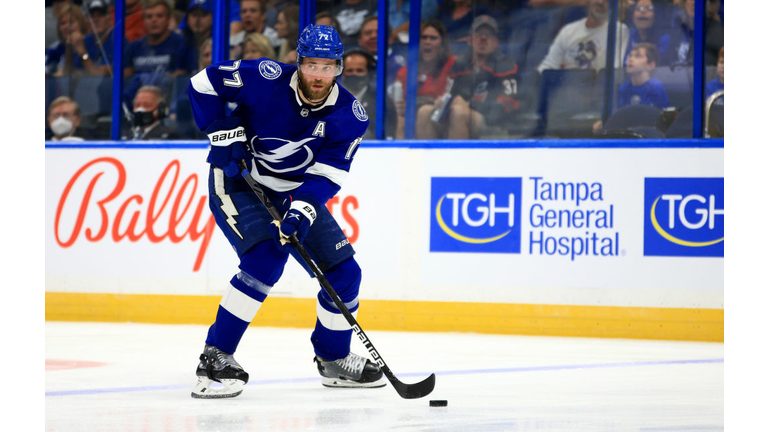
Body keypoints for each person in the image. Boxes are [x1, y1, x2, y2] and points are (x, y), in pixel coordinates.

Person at [187, 24, 384, 398]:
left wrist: (300, 214)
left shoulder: (350, 116)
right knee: (266, 258)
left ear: (339, 68)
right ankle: (216, 357)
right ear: (298, 62)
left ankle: (334, 359)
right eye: (312, 65)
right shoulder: (264, 77)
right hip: (238, 180)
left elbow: (324, 177)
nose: (319, 75)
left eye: (328, 67)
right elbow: (202, 82)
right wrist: (220, 128)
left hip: (292, 192)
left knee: (344, 272)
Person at [421, 15, 520, 139]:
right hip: (461, 115)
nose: (483, 38)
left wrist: (468, 105)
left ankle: (458, 158)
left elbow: (506, 108)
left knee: (459, 112)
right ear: (470, 40)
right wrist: (441, 102)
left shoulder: (506, 67)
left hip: (494, 126)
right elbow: (451, 95)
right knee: (424, 112)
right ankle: (428, 158)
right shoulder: (460, 64)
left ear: (496, 42)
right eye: (479, 34)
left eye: (488, 35)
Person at [393, 20, 457, 139]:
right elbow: (399, 106)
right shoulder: (405, 72)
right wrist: (399, 106)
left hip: (444, 118)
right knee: (401, 120)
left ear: (442, 43)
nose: (427, 42)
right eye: (424, 37)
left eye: (433, 38)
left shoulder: (453, 64)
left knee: (425, 112)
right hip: (414, 120)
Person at [124, 0, 194, 102]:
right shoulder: (134, 47)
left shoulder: (181, 44)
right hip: (139, 102)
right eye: (149, 17)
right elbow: (127, 80)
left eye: (159, 16)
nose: (154, 20)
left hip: (168, 102)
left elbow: (180, 81)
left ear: (168, 19)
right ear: (143, 20)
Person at [593, 42, 669, 133]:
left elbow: (659, 119)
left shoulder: (656, 87)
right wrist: (604, 123)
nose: (631, 59)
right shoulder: (624, 88)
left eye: (637, 56)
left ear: (651, 65)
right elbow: (618, 115)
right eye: (630, 56)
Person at [537, 0, 630, 72]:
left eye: (606, 0)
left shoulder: (618, 30)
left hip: (597, 93)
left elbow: (614, 68)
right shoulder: (568, 31)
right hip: (566, 90)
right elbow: (548, 66)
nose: (600, 2)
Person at [341, 49, 397, 139]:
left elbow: (387, 135)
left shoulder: (382, 101)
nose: (354, 74)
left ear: (369, 73)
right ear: (342, 73)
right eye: (350, 70)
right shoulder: (332, 97)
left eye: (359, 70)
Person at [45, 4, 89, 77]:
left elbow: (96, 73)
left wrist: (82, 52)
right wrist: (68, 49)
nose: (67, 26)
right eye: (63, 23)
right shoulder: (54, 50)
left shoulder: (91, 43)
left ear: (81, 24)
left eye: (71, 22)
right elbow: (60, 77)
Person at [623, 0, 670, 66]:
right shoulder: (627, 35)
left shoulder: (664, 39)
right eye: (638, 8)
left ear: (655, 15)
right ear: (633, 16)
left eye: (649, 8)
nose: (643, 11)